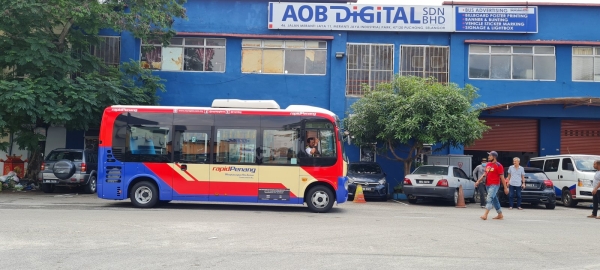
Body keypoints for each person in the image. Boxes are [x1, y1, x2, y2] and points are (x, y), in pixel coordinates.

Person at [475, 151, 509, 220]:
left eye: (490, 155)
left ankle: (485, 215)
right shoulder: (488, 164)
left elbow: (502, 178)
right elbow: (484, 174)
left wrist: (505, 188)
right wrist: (478, 181)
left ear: (494, 157)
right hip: (488, 184)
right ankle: (500, 214)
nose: (488, 157)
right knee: (494, 199)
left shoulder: (499, 166)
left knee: (489, 198)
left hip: (495, 185)